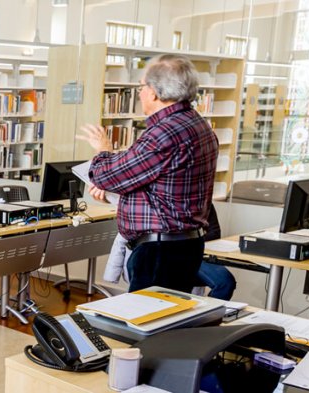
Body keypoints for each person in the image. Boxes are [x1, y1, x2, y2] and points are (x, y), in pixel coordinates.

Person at [78, 54, 218, 294]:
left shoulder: (164, 133)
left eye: (141, 86)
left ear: (154, 92)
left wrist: (103, 150)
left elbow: (104, 175)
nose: (140, 93)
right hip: (185, 245)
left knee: (146, 324)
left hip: (161, 252)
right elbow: (160, 183)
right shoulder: (197, 123)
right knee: (169, 320)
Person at [103, 203, 236, 300]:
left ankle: (204, 316)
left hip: (196, 254)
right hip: (157, 253)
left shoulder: (200, 203)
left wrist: (188, 238)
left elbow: (214, 232)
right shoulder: (153, 205)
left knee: (225, 282)